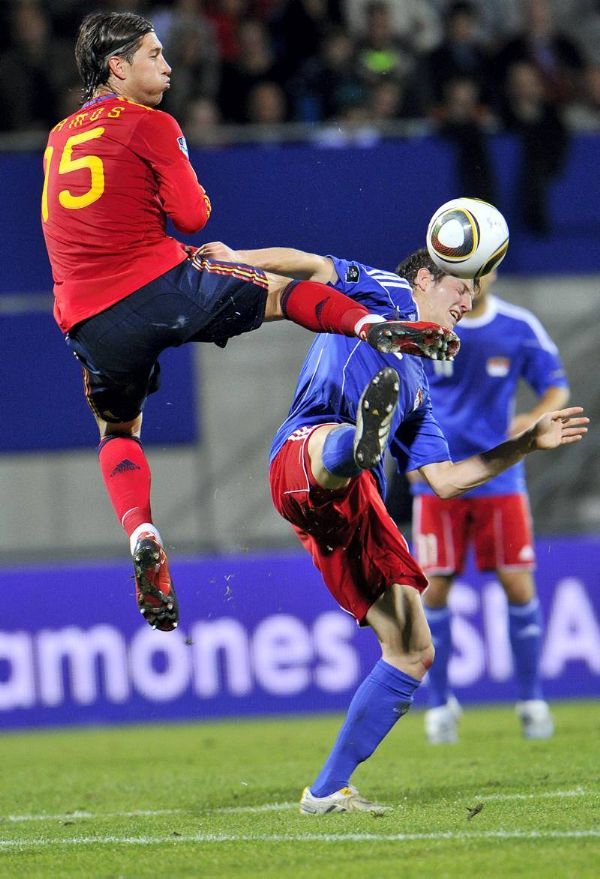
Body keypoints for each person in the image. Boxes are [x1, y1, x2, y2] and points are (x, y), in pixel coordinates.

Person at [40, 11, 458, 634]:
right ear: (117, 67)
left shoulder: (56, 137)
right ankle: (374, 327)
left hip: (86, 320)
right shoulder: (151, 123)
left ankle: (141, 531)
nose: (169, 64)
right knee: (283, 292)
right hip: (159, 285)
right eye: (155, 54)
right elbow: (192, 214)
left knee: (118, 431)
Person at [199, 240, 587, 813]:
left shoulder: (418, 386)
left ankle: (326, 791)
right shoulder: (384, 289)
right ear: (427, 277)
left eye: (475, 290)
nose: (469, 299)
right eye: (461, 286)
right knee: (333, 445)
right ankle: (355, 444)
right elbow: (311, 266)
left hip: (354, 512)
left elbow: (448, 480)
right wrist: (237, 257)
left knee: (412, 650)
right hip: (302, 457)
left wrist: (526, 442)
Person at [409, 269, 569, 742]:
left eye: (484, 267)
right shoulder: (425, 323)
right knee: (433, 590)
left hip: (500, 479)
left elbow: (556, 388)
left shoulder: (518, 327)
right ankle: (440, 705)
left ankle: (533, 701)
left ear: (495, 270)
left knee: (518, 586)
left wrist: (533, 417)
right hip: (436, 480)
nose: (475, 279)